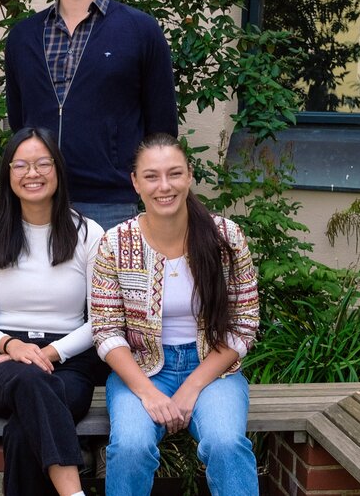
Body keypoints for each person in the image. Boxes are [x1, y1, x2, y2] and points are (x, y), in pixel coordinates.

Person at [90, 133, 260, 496]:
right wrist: (148, 392)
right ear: (135, 182)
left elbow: (244, 323)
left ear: (189, 176)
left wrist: (193, 386)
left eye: (174, 174)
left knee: (226, 443)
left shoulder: (224, 238)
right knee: (130, 448)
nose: (163, 186)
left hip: (213, 370)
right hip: (141, 371)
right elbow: (106, 331)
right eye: (151, 176)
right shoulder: (115, 244)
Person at [4, 0, 178, 230]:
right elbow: (20, 121)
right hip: (36, 200)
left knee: (109, 283)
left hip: (110, 204)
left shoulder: (140, 31)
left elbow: (162, 129)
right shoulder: (23, 37)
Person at [0, 127, 106, 496]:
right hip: (2, 361)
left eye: (43, 163)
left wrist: (50, 352)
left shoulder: (88, 234)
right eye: (22, 165)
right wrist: (13, 347)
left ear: (58, 170)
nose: (33, 173)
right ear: (8, 174)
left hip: (69, 358)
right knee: (30, 381)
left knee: (22, 427)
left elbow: (102, 320)